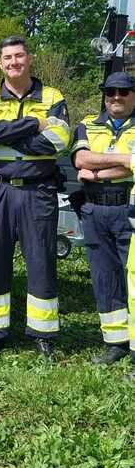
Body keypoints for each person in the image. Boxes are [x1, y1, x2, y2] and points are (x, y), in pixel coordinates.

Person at [0, 36, 70, 357]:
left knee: (41, 260)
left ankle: (43, 334)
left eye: (19, 56)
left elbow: (57, 143)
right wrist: (35, 124)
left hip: (38, 191)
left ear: (29, 59)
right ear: (0, 64)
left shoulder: (53, 96)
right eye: (7, 58)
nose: (13, 62)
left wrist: (8, 134)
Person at [72, 72, 135, 364]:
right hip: (94, 211)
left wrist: (96, 172)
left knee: (133, 280)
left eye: (123, 91)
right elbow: (81, 161)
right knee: (105, 277)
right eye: (110, 92)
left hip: (128, 211)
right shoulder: (87, 125)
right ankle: (116, 342)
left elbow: (89, 168)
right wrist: (126, 160)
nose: (116, 97)